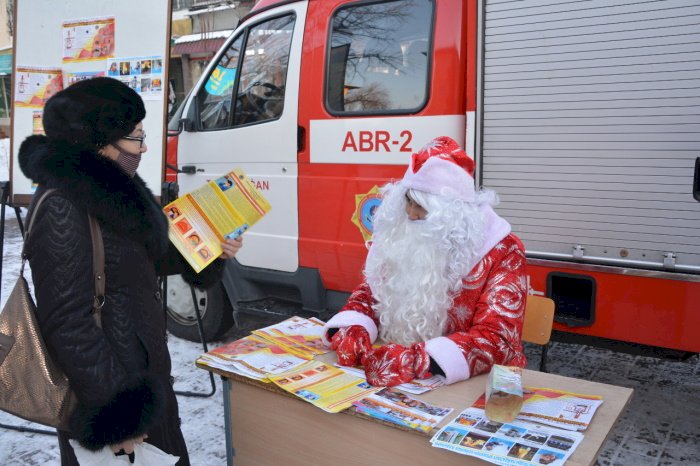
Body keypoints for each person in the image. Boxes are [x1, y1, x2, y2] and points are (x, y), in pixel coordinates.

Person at [18, 77, 243, 466]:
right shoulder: (62, 205)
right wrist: (118, 418)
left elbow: (148, 259)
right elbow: (67, 324)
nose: (144, 147)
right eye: (136, 137)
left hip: (144, 379)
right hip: (113, 396)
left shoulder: (115, 187)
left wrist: (211, 250)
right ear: (101, 140)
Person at [323, 136, 527, 387]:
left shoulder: (502, 250)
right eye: (407, 201)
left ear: (450, 212)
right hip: (402, 380)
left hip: (478, 387)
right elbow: (372, 292)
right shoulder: (403, 235)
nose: (410, 214)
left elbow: (498, 339)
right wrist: (352, 327)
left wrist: (417, 362)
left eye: (420, 205)